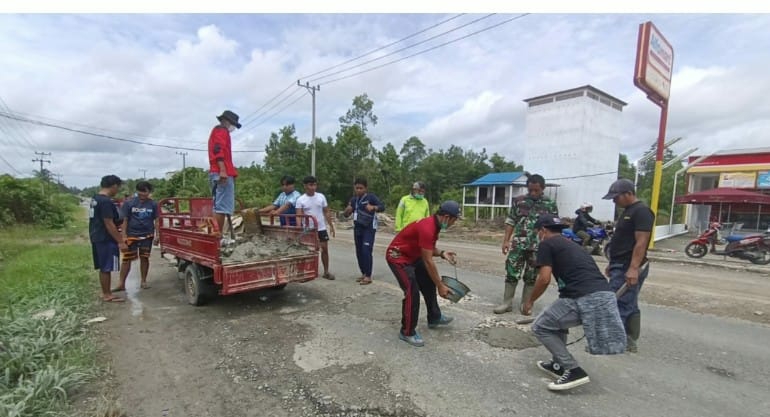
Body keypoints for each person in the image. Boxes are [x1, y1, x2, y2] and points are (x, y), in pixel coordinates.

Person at [523, 214, 626, 391]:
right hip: (602, 294)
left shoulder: (546, 243)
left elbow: (544, 279)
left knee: (540, 326)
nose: (538, 236)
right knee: (555, 323)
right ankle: (559, 364)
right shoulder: (572, 244)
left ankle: (573, 369)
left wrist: (529, 301)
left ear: (543, 231)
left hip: (584, 296)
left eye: (537, 232)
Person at [385, 201, 461, 347]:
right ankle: (407, 332)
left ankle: (434, 317)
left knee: (428, 282)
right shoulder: (428, 227)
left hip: (413, 256)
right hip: (398, 257)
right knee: (412, 292)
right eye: (454, 219)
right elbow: (427, 261)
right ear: (446, 217)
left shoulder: (434, 225)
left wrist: (442, 253)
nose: (454, 223)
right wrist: (440, 285)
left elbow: (428, 248)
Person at [602, 178, 654, 353]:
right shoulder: (627, 211)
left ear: (629, 194)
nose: (614, 201)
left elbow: (641, 242)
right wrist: (612, 263)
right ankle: (629, 340)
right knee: (628, 302)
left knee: (618, 303)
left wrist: (633, 268)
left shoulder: (641, 212)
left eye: (616, 197)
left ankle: (616, 341)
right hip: (620, 264)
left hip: (629, 266)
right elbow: (622, 241)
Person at [495, 173, 558, 315]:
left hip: (539, 247)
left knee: (531, 276)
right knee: (511, 272)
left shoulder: (550, 204)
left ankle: (526, 304)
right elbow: (511, 221)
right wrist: (506, 240)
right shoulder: (519, 201)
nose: (533, 193)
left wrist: (552, 246)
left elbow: (554, 227)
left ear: (543, 188)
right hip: (519, 245)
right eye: (530, 190)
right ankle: (507, 303)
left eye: (536, 190)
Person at [113, 181, 159, 292]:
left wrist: (158, 235)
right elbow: (125, 220)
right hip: (131, 236)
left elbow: (157, 220)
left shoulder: (153, 204)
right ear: (137, 191)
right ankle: (121, 283)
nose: (142, 194)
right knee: (127, 259)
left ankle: (143, 281)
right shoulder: (129, 203)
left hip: (147, 236)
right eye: (140, 191)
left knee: (145, 258)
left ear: (149, 192)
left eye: (145, 191)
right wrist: (123, 236)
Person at [89, 175, 128, 302]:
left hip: (97, 236)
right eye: (118, 187)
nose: (118, 190)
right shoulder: (106, 202)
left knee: (103, 266)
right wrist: (121, 241)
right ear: (114, 186)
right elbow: (109, 223)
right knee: (107, 266)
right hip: (106, 238)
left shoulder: (96, 198)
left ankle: (106, 292)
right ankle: (107, 294)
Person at [343, 177, 385, 285]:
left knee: (366, 250)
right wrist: (347, 211)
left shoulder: (371, 197)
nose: (359, 190)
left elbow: (382, 207)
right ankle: (363, 273)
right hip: (358, 228)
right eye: (357, 188)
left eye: (361, 188)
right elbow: (346, 213)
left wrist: (374, 207)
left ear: (366, 188)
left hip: (369, 227)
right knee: (359, 251)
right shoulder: (354, 200)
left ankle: (368, 275)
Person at [296, 175, 336, 280]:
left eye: (314, 185)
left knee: (325, 250)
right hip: (308, 229)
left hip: (321, 228)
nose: (313, 187)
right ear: (305, 186)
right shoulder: (301, 200)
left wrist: (331, 225)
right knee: (308, 251)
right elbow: (299, 216)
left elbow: (326, 211)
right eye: (310, 185)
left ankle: (326, 272)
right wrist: (299, 228)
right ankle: (305, 273)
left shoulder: (321, 197)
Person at [208, 109, 241, 234]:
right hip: (221, 172)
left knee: (220, 206)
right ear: (226, 121)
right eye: (233, 124)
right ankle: (218, 236)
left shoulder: (220, 131)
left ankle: (218, 235)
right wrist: (223, 170)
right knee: (221, 208)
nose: (233, 127)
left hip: (222, 172)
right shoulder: (221, 130)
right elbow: (218, 150)